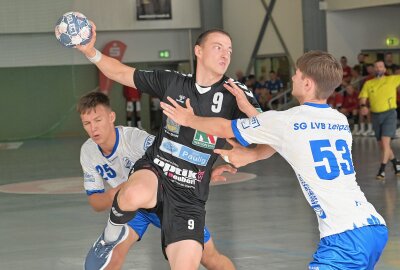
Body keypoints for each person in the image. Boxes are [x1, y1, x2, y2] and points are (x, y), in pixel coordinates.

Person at [160, 50, 388, 270]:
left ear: (307, 84)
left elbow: (224, 128)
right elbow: (283, 136)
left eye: (297, 74)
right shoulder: (339, 120)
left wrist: (188, 119)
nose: (292, 78)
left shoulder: (289, 120)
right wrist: (249, 114)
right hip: (373, 225)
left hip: (343, 237)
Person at [77, 24, 261, 270]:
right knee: (131, 195)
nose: (225, 54)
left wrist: (247, 124)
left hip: (189, 194)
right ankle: (109, 238)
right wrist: (91, 51)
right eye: (218, 47)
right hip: (158, 172)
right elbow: (122, 73)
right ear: (198, 51)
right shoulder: (172, 82)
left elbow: (268, 133)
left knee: (203, 261)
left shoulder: (236, 94)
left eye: (229, 49)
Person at [78, 91, 237, 270]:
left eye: (98, 120)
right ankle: (110, 237)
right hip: (134, 208)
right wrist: (120, 192)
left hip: (169, 201)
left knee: (210, 258)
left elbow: (175, 156)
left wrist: (205, 174)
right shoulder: (88, 151)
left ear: (111, 117)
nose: (93, 128)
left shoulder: (135, 139)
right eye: (87, 123)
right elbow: (96, 203)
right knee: (109, 259)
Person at [359, 60, 400, 179]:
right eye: (376, 67)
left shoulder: (392, 79)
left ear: (384, 69)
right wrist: (363, 106)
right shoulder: (369, 83)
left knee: (385, 142)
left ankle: (381, 170)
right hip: (375, 115)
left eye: (381, 66)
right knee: (382, 145)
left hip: (389, 114)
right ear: (374, 69)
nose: (378, 68)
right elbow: (362, 98)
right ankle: (396, 164)